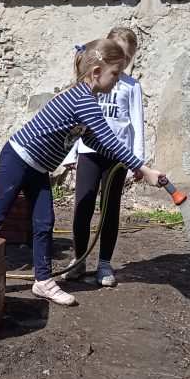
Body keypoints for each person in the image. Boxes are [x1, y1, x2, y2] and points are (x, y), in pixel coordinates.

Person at [0, 39, 165, 307]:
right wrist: (143, 168)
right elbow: (109, 140)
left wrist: (132, 164)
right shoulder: (82, 99)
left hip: (38, 166)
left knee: (44, 222)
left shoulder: (87, 98)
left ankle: (43, 281)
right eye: (115, 74)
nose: (117, 80)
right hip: (18, 158)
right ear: (96, 72)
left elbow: (95, 141)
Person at [62, 27, 145, 288]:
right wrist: (71, 152)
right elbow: (76, 120)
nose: (123, 61)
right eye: (118, 53)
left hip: (118, 157)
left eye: (128, 57)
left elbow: (137, 124)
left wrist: (138, 160)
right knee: (83, 205)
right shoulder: (93, 81)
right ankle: (78, 259)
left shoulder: (132, 86)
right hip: (89, 152)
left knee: (110, 209)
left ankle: (105, 263)